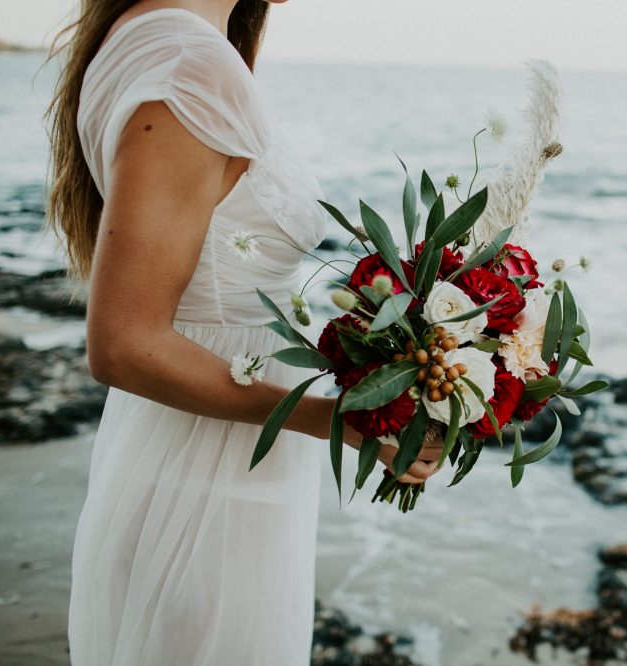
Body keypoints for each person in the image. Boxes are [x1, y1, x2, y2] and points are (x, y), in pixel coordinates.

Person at [44, 1, 440, 663]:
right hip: (204, 498)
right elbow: (123, 343)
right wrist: (334, 420)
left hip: (199, 465)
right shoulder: (186, 65)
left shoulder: (157, 42)